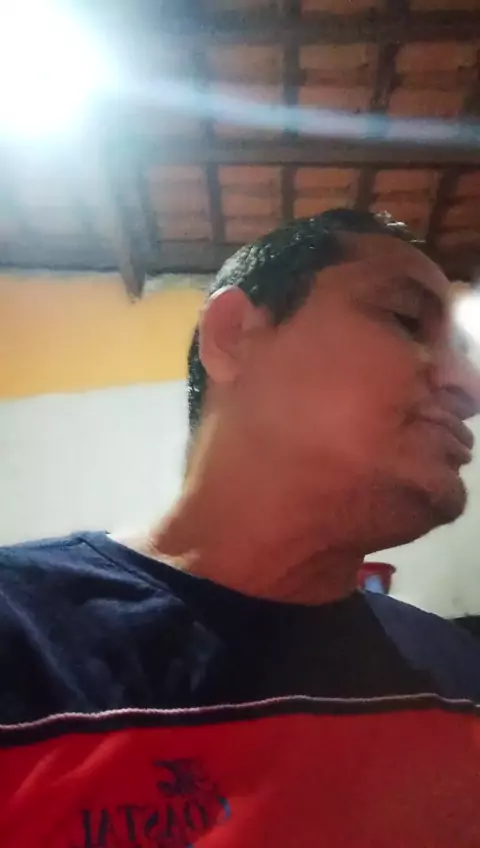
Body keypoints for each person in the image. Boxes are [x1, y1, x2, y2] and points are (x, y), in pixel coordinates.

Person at [1, 208, 479, 848]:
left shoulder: (460, 677)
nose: (468, 388)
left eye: (464, 354)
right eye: (405, 319)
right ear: (232, 335)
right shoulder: (21, 636)